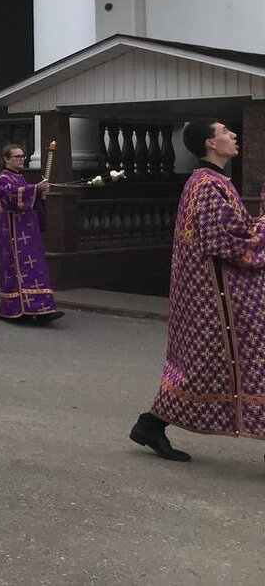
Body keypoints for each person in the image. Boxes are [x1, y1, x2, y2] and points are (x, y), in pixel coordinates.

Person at [129, 118, 265, 463]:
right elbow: (223, 240)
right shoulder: (206, 185)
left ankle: (150, 424)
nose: (233, 136)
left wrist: (257, 225)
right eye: (225, 132)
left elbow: (238, 228)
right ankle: (150, 424)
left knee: (204, 368)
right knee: (210, 367)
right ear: (210, 143)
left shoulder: (216, 181)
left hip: (217, 296)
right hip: (217, 299)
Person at [0, 144, 63, 324]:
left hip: (27, 234)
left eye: (23, 156)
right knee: (18, 271)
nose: (21, 159)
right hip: (13, 236)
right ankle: (17, 310)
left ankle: (41, 308)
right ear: (6, 159)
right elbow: (10, 198)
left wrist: (39, 193)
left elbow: (28, 198)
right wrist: (35, 189)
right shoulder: (3, 179)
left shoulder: (20, 178)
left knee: (34, 269)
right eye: (17, 156)